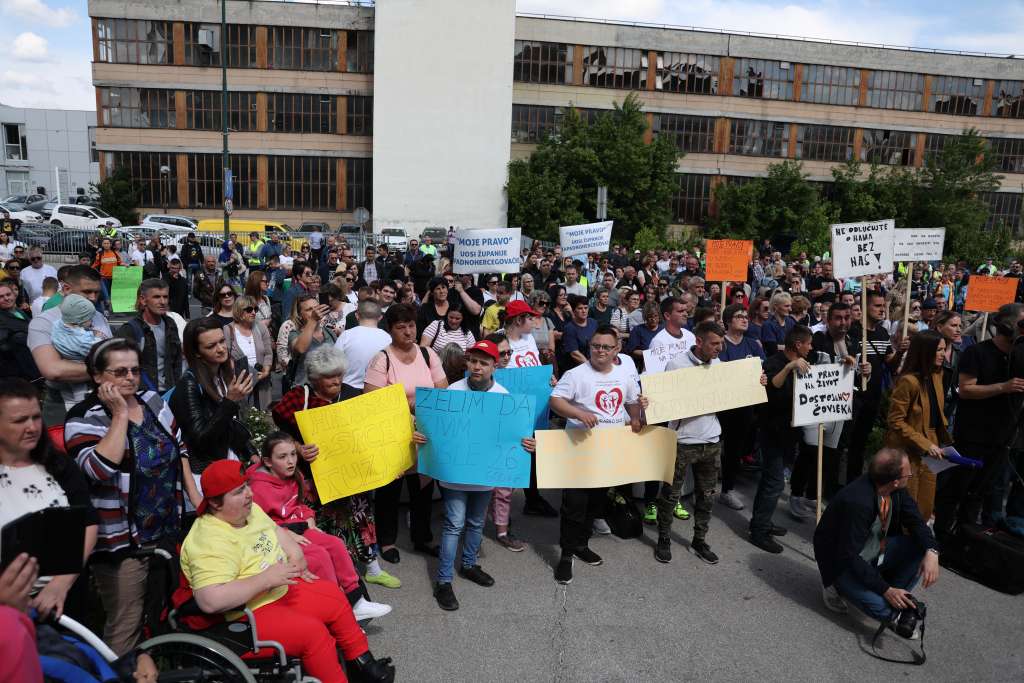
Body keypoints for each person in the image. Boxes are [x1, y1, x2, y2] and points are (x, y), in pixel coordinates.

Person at [179, 460, 396, 683]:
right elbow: (210, 600)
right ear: (215, 503)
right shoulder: (208, 539)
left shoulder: (247, 511)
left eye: (246, 486)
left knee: (333, 596)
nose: (249, 494)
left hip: (276, 591)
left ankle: (363, 667)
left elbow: (276, 532)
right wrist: (266, 579)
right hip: (245, 614)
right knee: (313, 634)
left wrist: (296, 557)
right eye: (238, 491)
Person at [65, 338, 193, 654]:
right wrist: (120, 414)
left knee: (164, 607)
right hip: (121, 541)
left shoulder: (152, 400)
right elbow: (97, 470)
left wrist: (196, 498)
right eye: (119, 371)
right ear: (97, 376)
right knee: (126, 623)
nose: (130, 378)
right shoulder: (84, 416)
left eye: (135, 370)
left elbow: (180, 447)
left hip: (167, 525)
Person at [273, 346, 402, 592]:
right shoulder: (299, 397)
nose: (336, 380)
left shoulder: (352, 395)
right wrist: (298, 448)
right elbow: (279, 433)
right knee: (320, 523)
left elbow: (373, 434)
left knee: (361, 518)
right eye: (329, 376)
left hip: (352, 474)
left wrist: (388, 462)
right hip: (313, 476)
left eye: (339, 374)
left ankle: (372, 568)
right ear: (314, 377)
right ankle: (328, 571)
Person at [432, 340, 536, 610]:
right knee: (454, 523)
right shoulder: (453, 390)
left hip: (484, 473)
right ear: (467, 363)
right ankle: (444, 580)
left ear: (494, 366)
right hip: (455, 472)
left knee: (477, 522)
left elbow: (512, 436)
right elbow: (439, 428)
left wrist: (527, 443)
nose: (477, 367)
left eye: (484, 362)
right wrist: (424, 434)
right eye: (473, 361)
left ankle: (468, 565)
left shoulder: (503, 397)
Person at [247, 432, 392, 622]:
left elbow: (300, 505)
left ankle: (356, 602)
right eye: (282, 457)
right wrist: (284, 533)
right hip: (280, 535)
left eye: (293, 454)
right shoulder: (258, 487)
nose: (290, 461)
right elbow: (257, 522)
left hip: (299, 527)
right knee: (320, 556)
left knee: (336, 544)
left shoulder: (293, 475)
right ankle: (337, 607)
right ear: (267, 461)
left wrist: (310, 519)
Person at [655, 322, 766, 565]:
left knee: (706, 496)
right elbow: (663, 401)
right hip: (682, 442)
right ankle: (664, 537)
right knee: (670, 495)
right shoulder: (676, 365)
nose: (719, 348)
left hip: (711, 441)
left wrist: (756, 383)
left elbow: (736, 393)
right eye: (714, 343)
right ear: (699, 342)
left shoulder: (720, 366)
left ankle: (699, 540)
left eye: (721, 343)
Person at [549, 325, 646, 584]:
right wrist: (578, 413)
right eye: (595, 346)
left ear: (617, 349)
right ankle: (566, 555)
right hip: (579, 450)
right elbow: (556, 401)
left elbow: (631, 401)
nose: (600, 351)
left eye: (606, 346)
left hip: (609, 452)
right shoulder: (576, 374)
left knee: (596, 503)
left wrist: (636, 417)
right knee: (574, 506)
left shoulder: (624, 374)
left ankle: (582, 545)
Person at [0, 379, 98, 621]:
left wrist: (60, 584)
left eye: (35, 417)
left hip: (65, 601)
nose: (32, 427)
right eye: (19, 420)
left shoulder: (59, 465)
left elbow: (87, 523)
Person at [814, 448, 939, 636]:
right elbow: (848, 556)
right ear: (895, 480)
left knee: (918, 547)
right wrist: (885, 589)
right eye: (908, 473)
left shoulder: (895, 490)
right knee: (885, 610)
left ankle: (896, 600)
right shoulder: (858, 502)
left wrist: (932, 550)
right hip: (842, 564)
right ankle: (836, 586)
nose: (910, 475)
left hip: (872, 553)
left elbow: (915, 521)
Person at [364, 304, 448, 562]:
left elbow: (442, 390)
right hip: (393, 434)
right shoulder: (382, 358)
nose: (408, 331)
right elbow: (371, 400)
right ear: (390, 330)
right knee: (390, 490)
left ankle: (422, 538)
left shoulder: (428, 354)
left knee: (422, 489)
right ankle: (386, 542)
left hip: (425, 432)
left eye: (411, 325)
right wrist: (408, 405)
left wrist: (424, 407)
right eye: (401, 327)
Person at [934, 303, 1024, 537]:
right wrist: (1003, 387)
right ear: (1006, 325)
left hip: (1003, 436)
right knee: (959, 486)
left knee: (982, 490)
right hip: (973, 434)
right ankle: (942, 534)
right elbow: (966, 390)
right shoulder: (977, 352)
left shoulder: (1019, 356)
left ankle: (965, 534)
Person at [750, 324, 817, 553]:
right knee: (774, 482)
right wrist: (790, 367)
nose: (811, 348)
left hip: (790, 434)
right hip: (772, 434)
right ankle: (758, 531)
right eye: (808, 343)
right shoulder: (774, 362)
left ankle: (763, 522)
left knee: (771, 482)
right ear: (797, 344)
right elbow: (771, 386)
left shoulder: (806, 362)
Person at [169, 317, 256, 480]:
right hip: (206, 472)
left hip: (229, 462)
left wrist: (250, 452)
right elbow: (201, 440)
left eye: (222, 341)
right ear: (196, 353)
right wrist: (229, 401)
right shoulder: (189, 385)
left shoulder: (224, 374)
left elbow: (231, 424)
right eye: (211, 346)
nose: (221, 349)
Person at [884, 330, 948, 522]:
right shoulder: (908, 381)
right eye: (939, 350)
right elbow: (895, 420)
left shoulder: (937, 376)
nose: (943, 354)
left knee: (925, 507)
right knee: (906, 507)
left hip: (932, 449)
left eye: (944, 349)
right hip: (908, 451)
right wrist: (925, 444)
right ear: (925, 351)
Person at [28, 265, 112, 411]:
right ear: (66, 289)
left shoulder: (99, 317)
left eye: (97, 292)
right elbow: (53, 370)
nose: (92, 298)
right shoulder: (43, 322)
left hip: (103, 401)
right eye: (87, 291)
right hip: (62, 405)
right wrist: (110, 369)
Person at [716, 303, 765, 511]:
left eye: (746, 316)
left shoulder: (753, 344)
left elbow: (760, 370)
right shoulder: (721, 345)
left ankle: (727, 489)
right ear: (728, 321)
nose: (745, 319)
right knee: (714, 446)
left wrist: (762, 377)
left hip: (745, 405)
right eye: (739, 316)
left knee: (735, 448)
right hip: (722, 404)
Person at [113, 278, 183, 394]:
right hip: (143, 395)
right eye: (156, 297)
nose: (163, 302)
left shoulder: (170, 324)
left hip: (169, 392)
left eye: (165, 297)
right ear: (143, 300)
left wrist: (176, 389)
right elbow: (119, 367)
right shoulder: (129, 330)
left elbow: (176, 361)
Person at [222, 294, 273, 409]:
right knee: (244, 416)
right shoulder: (228, 329)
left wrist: (266, 370)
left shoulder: (261, 327)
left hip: (262, 382)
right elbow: (226, 357)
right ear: (239, 311)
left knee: (263, 417)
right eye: (249, 310)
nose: (254, 312)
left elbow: (268, 353)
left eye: (255, 309)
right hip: (241, 384)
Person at [337, 300, 392, 389]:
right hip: (378, 392)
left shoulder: (346, 335)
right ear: (380, 317)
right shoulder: (388, 339)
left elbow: (334, 364)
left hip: (348, 390)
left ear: (356, 316)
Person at [0, 280, 40, 382]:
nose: (6, 298)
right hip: (16, 372)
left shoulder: (18, 311)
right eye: (1, 297)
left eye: (8, 294)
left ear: (14, 295)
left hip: (35, 361)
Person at [51, 294, 107, 361]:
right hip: (79, 360)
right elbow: (97, 351)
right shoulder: (82, 342)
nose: (92, 321)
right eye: (90, 319)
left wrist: (90, 333)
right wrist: (98, 338)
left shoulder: (58, 324)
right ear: (81, 320)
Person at [560, 294, 597, 371]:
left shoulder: (593, 323)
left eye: (586, 308)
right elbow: (574, 353)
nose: (584, 311)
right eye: (580, 308)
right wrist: (590, 367)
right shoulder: (569, 328)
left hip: (594, 362)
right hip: (576, 368)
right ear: (574, 311)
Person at [760, 291, 795, 356]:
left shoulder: (791, 322)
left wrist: (780, 347)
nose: (790, 310)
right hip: (774, 361)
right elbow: (772, 348)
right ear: (776, 306)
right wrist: (790, 348)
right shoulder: (768, 325)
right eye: (786, 306)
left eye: (790, 306)